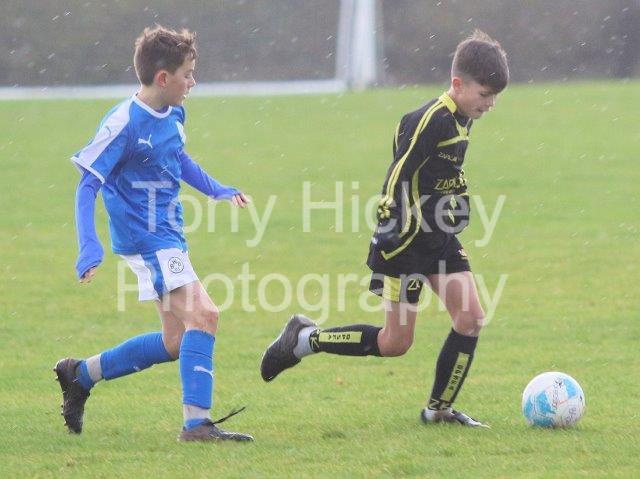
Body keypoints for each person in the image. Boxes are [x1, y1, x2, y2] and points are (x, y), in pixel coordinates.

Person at [260, 30, 509, 427]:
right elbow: (398, 174)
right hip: (404, 243)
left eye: (495, 96)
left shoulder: (464, 116)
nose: (490, 104)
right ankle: (305, 339)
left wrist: (457, 196)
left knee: (471, 317)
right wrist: (390, 223)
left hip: (438, 237)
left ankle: (438, 410)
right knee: (395, 343)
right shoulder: (429, 119)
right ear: (458, 83)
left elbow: (441, 170)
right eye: (485, 94)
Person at [54, 25, 253, 442]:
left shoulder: (174, 112)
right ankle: (197, 425)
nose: (193, 82)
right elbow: (87, 184)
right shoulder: (123, 123)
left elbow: (177, 158)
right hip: (147, 240)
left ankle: (80, 374)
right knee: (206, 315)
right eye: (187, 74)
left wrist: (217, 189)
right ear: (163, 78)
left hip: (169, 233)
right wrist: (89, 245)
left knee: (176, 341)